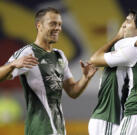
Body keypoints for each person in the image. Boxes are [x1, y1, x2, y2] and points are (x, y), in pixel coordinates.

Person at [4, 7, 97, 135]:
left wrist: (86, 78)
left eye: (59, 24)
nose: (58, 28)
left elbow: (73, 91)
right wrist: (13, 64)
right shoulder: (27, 52)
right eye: (53, 23)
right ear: (39, 25)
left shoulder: (60, 55)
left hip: (59, 130)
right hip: (39, 130)